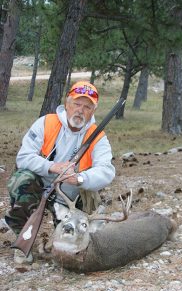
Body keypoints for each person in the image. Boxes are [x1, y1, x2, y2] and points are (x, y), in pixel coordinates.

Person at [5, 80, 115, 263]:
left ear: (93, 112)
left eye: (87, 107)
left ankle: (66, 245)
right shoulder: (46, 123)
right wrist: (52, 167)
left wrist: (80, 178)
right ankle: (22, 241)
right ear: (67, 104)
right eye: (77, 104)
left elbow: (107, 171)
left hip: (70, 196)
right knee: (21, 179)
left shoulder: (97, 137)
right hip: (40, 186)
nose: (80, 110)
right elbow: (23, 157)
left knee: (77, 237)